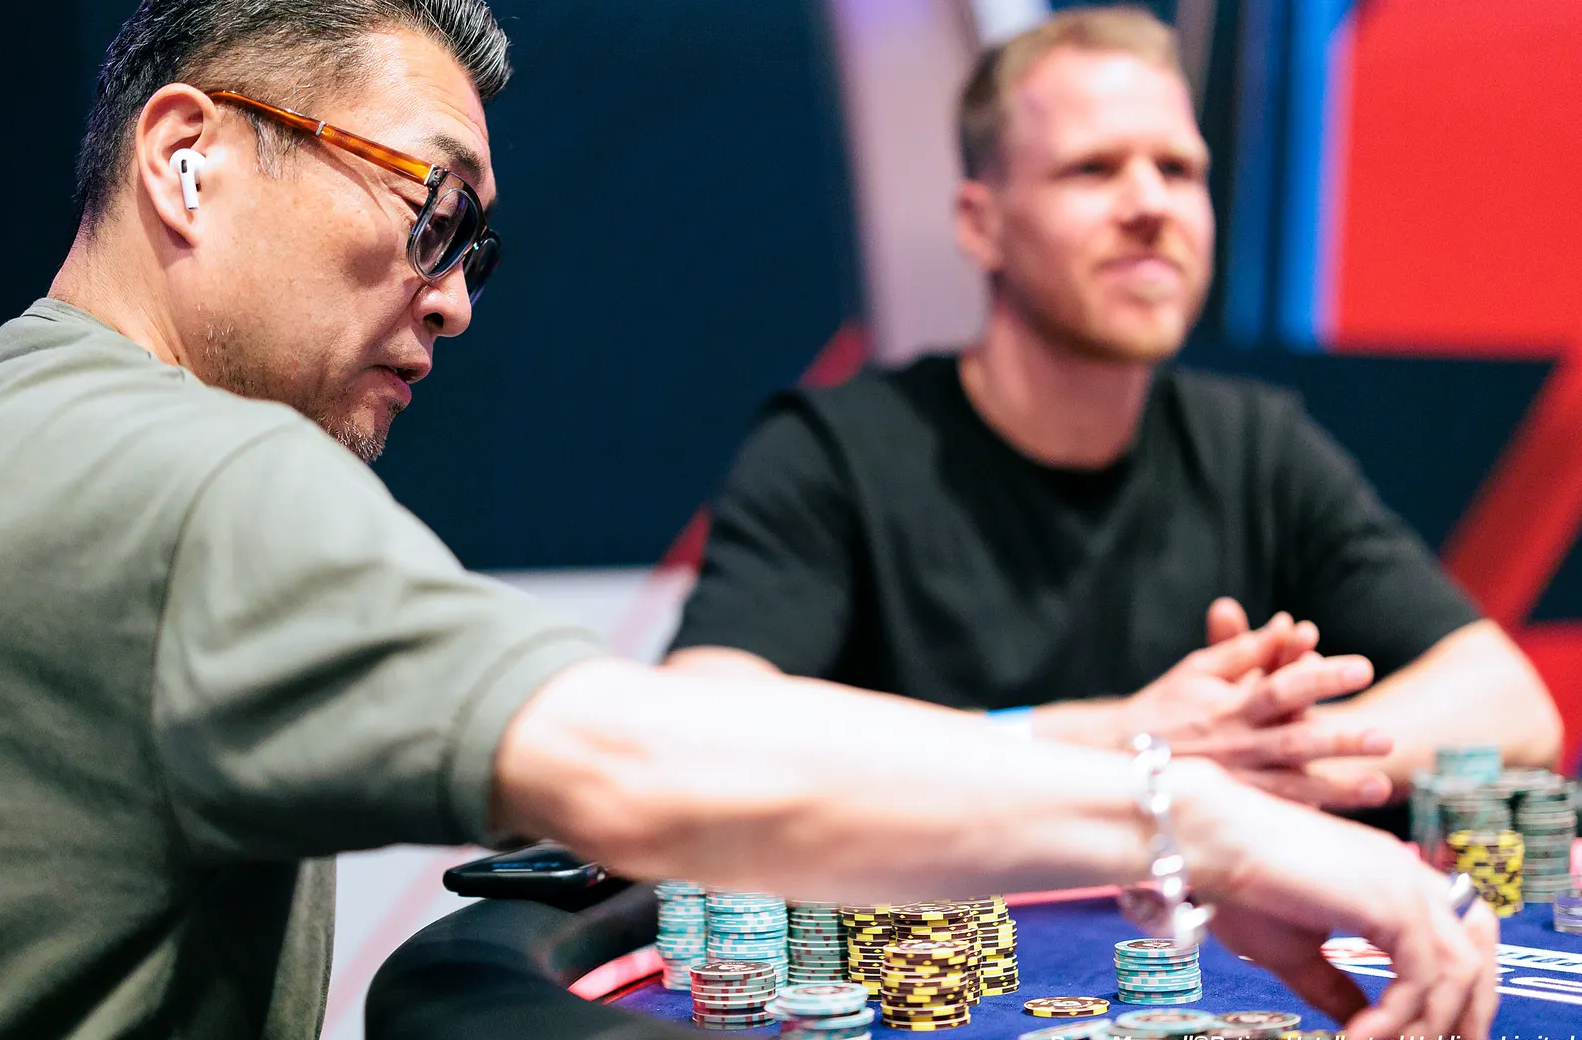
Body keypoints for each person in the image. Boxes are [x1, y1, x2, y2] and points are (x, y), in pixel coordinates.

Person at [0, 2, 1497, 1040]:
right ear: (186, 158)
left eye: (474, 249)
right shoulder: (192, 472)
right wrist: (1194, 812)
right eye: (428, 206)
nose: (451, 298)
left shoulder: (30, 410)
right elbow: (633, 760)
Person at [666, 6, 1561, 817]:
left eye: (1178, 168)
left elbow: (1510, 704)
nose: (1150, 205)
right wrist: (1116, 743)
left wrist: (1256, 762)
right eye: (1092, 169)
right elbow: (696, 728)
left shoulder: (1256, 446)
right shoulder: (832, 453)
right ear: (981, 223)